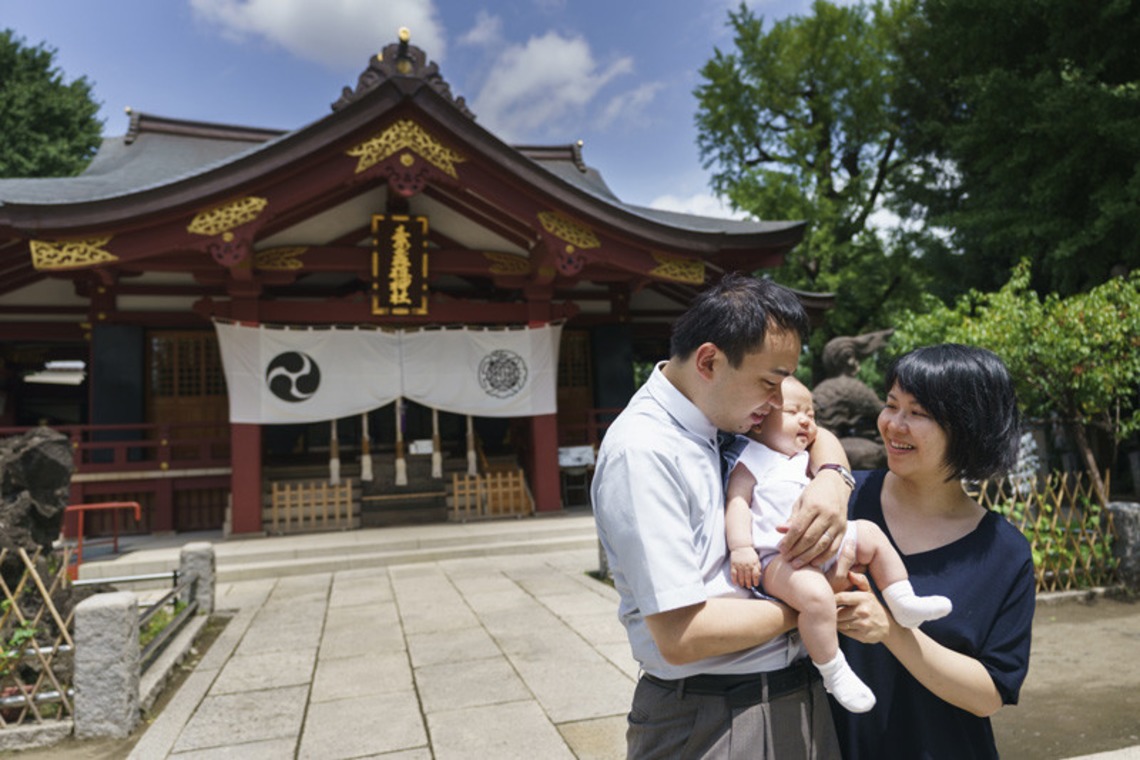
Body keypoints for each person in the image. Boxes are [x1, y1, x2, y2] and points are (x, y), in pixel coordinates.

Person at [591, 272, 855, 759]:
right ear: (710, 360)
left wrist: (833, 479)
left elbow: (814, 435)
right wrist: (812, 606)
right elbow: (681, 635)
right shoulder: (645, 452)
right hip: (714, 714)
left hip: (793, 693)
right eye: (769, 382)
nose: (779, 404)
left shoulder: (722, 412)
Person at [831, 344, 1035, 759]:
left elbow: (990, 694)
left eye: (918, 413)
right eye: (891, 405)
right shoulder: (840, 501)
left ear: (967, 428)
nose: (893, 425)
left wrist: (892, 631)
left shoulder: (1004, 552)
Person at [725, 376, 952, 714]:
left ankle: (902, 600)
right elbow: (737, 503)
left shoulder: (804, 458)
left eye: (811, 414)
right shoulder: (752, 458)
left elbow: (825, 442)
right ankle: (834, 670)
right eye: (792, 412)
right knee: (816, 597)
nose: (805, 420)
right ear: (757, 422)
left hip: (826, 542)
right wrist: (741, 547)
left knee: (871, 534)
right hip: (779, 557)